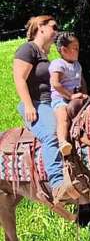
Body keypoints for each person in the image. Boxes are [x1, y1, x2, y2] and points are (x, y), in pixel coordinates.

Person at [12, 15, 74, 202]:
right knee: (51, 134)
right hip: (37, 104)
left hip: (52, 103)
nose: (57, 31)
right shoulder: (27, 49)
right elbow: (19, 79)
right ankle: (57, 185)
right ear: (41, 27)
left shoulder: (46, 56)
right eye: (54, 27)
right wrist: (29, 105)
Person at [49, 32, 87, 157]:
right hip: (60, 99)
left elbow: (82, 82)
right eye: (75, 48)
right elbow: (55, 83)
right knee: (63, 117)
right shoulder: (58, 64)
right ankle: (62, 142)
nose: (78, 51)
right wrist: (70, 96)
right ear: (64, 50)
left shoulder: (77, 65)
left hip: (75, 98)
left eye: (78, 48)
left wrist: (85, 94)